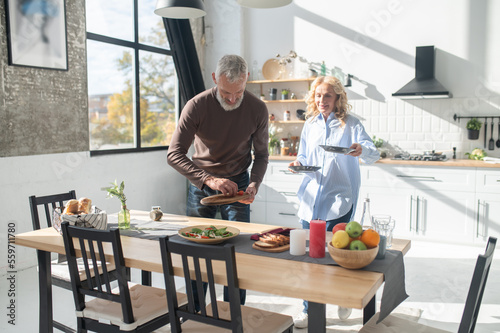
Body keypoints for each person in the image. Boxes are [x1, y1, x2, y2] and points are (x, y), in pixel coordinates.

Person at [167, 54, 269, 310]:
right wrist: (209, 179)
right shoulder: (197, 106)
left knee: (239, 252)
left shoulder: (257, 109)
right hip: (202, 184)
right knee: (198, 253)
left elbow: (262, 155)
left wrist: (254, 183)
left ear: (247, 81)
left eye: (239, 92)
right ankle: (197, 312)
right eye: (226, 93)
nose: (232, 99)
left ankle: (234, 312)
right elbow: (174, 154)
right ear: (214, 78)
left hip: (239, 184)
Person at [288, 76, 379, 328]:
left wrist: (361, 149)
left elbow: (373, 152)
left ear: (337, 98)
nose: (322, 100)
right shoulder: (310, 125)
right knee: (309, 257)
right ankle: (308, 309)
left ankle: (341, 296)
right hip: (310, 200)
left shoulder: (351, 124)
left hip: (339, 200)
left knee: (336, 254)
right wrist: (298, 165)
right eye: (318, 96)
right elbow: (304, 156)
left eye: (327, 96)